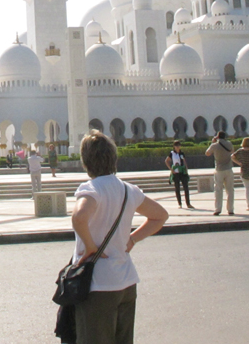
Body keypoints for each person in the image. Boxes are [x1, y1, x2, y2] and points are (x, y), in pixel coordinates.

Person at [71, 130, 168, 344]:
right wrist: (132, 239)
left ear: (86, 161)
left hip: (97, 285)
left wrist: (90, 247)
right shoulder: (128, 190)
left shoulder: (91, 189)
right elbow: (160, 216)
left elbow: (78, 218)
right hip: (126, 283)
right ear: (113, 158)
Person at [206, 131, 235, 215]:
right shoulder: (229, 144)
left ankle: (218, 209)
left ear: (217, 137)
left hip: (219, 169)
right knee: (230, 190)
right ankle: (230, 209)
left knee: (218, 190)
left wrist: (213, 142)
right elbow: (232, 151)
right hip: (229, 168)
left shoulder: (214, 145)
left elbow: (207, 153)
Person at [164, 141, 194, 209]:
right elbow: (166, 161)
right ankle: (179, 203)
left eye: (179, 145)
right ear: (174, 146)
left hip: (182, 172)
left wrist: (186, 170)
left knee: (186, 188)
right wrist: (171, 169)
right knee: (177, 188)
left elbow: (184, 161)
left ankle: (188, 203)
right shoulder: (172, 153)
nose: (177, 147)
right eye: (176, 145)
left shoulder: (182, 153)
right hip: (176, 172)